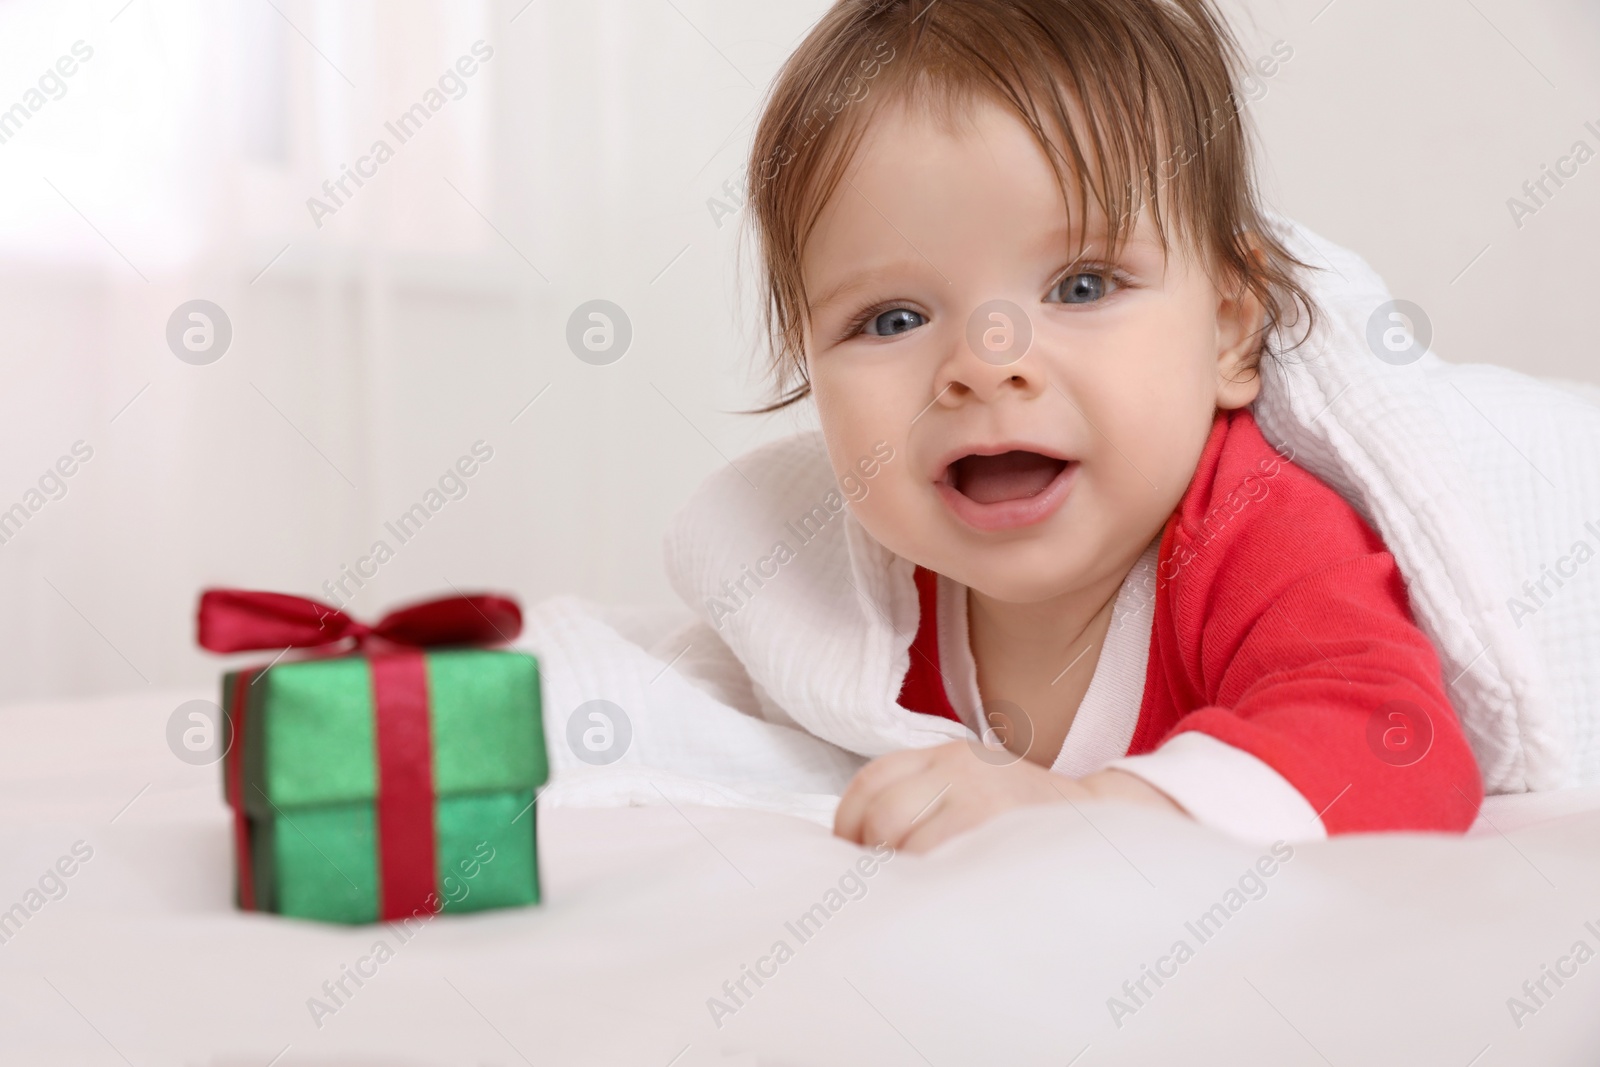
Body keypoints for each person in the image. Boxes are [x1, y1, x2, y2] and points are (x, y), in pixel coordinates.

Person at [735, 0, 1482, 852]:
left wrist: (1096, 810)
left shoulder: (1254, 531)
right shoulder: (854, 609)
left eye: (1081, 286)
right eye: (894, 318)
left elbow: (1397, 744)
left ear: (1230, 328)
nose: (986, 362)